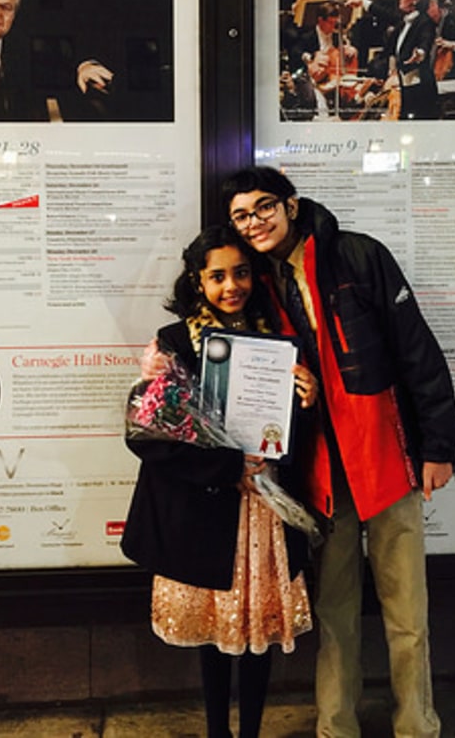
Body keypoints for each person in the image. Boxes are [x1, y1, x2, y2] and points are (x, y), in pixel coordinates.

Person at [220, 167, 455, 738]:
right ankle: (336, 728)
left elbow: (416, 351)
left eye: (263, 208)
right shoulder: (256, 281)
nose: (254, 222)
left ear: (292, 206)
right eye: (241, 215)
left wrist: (439, 445)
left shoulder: (358, 257)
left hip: (386, 462)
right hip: (320, 475)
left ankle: (417, 726)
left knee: (408, 614)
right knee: (334, 617)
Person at [121, 225, 318, 738]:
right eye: (218, 276)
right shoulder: (172, 345)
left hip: (266, 510)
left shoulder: (280, 339)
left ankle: (249, 732)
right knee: (215, 631)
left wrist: (307, 398)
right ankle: (217, 732)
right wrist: (226, 467)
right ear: (197, 280)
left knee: (257, 632)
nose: (232, 285)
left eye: (241, 272)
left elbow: (301, 433)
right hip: (208, 511)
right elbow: (146, 436)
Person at [350, 0, 439, 119]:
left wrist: (420, 53)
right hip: (405, 86)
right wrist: (363, 2)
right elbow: (384, 13)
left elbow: (425, 42)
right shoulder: (404, 20)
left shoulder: (425, 22)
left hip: (419, 89)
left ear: (414, 0)